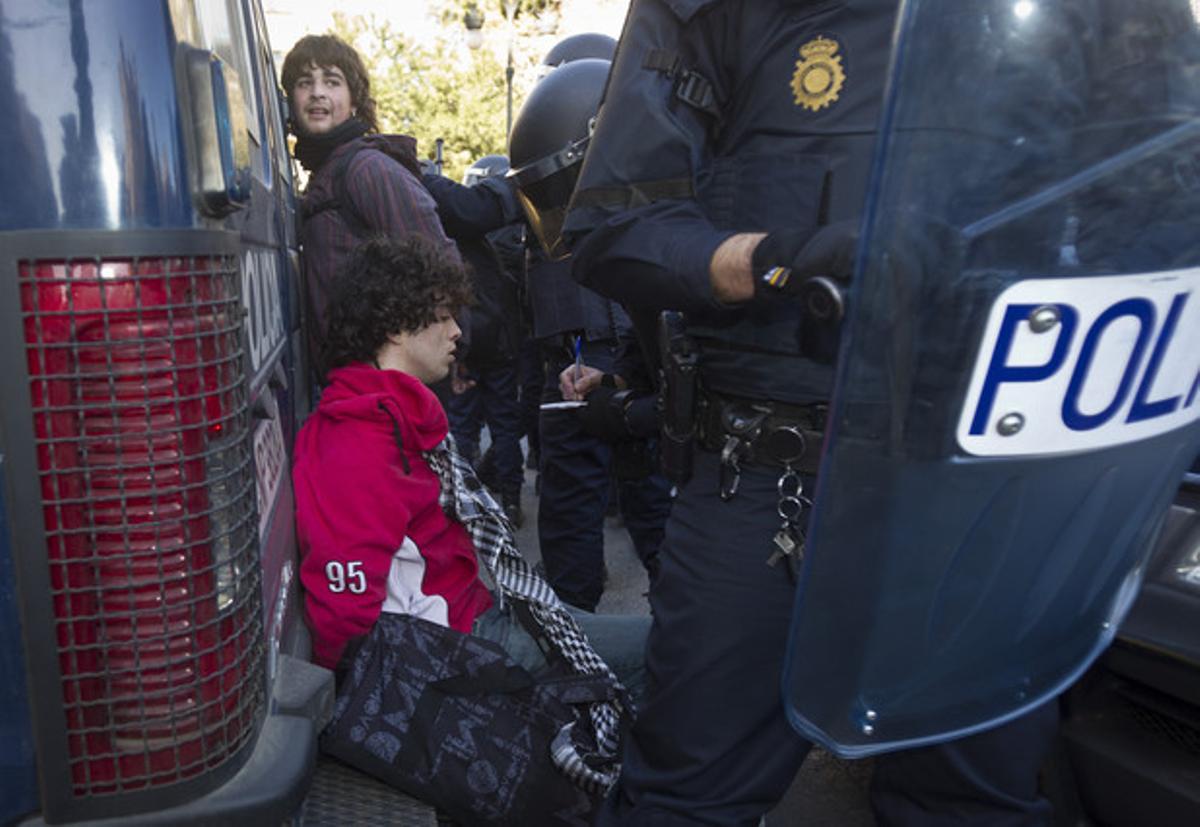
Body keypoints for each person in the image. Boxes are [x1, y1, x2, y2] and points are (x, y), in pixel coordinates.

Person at [557, 1, 1102, 824]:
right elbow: (615, 225)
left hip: (985, 484)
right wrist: (772, 261)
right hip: (775, 479)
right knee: (685, 801)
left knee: (974, 804)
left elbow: (1137, 186)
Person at [291, 232, 648, 709]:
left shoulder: (401, 418)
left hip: (475, 613)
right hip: (453, 643)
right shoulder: (356, 439)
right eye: (442, 317)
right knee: (662, 650)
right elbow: (344, 616)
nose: (458, 330)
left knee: (661, 643)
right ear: (396, 327)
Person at [508, 46, 673, 612]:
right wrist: (619, 382)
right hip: (601, 354)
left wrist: (628, 402)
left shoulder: (683, 229)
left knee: (641, 494)